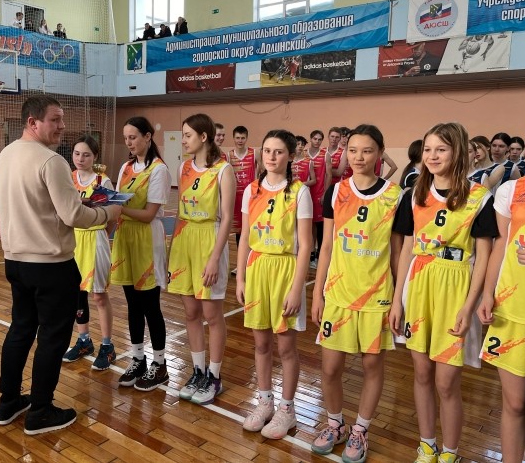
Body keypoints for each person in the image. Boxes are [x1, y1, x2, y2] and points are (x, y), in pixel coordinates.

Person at [0, 95, 120, 435]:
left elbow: (43, 204)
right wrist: (108, 212)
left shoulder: (6, 155)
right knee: (52, 337)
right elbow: (73, 216)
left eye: (62, 119)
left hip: (15, 261)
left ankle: (8, 402)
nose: (62, 126)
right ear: (32, 122)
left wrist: (78, 205)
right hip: (50, 264)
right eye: (55, 119)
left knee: (20, 329)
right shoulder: (51, 161)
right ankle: (40, 410)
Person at [389, 122, 497, 463]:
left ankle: (450, 452)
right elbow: (407, 248)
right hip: (419, 284)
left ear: (458, 152)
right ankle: (427, 445)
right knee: (421, 373)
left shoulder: (479, 197)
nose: (432, 156)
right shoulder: (414, 195)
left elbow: (484, 257)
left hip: (456, 285)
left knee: (447, 382)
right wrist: (397, 300)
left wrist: (469, 306)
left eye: (441, 149)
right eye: (428, 149)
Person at [311, 124, 402, 462]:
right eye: (353, 150)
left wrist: (398, 299)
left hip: (377, 297)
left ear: (380, 153)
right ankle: (335, 424)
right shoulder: (336, 191)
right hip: (338, 294)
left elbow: (397, 252)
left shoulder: (395, 195)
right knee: (330, 368)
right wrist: (317, 293)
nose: (359, 157)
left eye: (366, 151)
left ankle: (361, 429)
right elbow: (327, 246)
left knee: (372, 367)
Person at [478, 112, 525, 463]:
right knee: (514, 402)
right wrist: (487, 293)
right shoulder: (511, 190)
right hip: (512, 310)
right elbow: (500, 247)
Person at [235, 129, 312, 439]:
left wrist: (297, 288)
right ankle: (265, 401)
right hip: (257, 268)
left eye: (278, 151)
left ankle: (288, 409)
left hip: (285, 269)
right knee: (261, 343)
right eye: (267, 150)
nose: (271, 156)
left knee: (286, 346)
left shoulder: (299, 192)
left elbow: (306, 245)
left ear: (290, 156)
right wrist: (240, 277)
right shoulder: (251, 190)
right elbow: (244, 237)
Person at [169, 114, 235, 405]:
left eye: (187, 135)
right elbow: (180, 211)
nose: (183, 140)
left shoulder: (223, 170)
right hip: (185, 240)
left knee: (212, 314)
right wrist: (172, 249)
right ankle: (197, 371)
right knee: (190, 312)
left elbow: (228, 218)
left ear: (203, 137)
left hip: (210, 239)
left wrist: (215, 258)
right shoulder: (183, 168)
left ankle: (215, 376)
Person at [111, 116, 171, 391]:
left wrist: (119, 209)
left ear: (148, 136)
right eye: (126, 138)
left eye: (133, 137)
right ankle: (138, 359)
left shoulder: (159, 170)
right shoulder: (125, 167)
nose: (129, 142)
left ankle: (160, 364)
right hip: (125, 238)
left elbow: (148, 215)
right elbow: (116, 201)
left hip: (147, 239)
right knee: (132, 304)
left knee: (150, 306)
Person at [62, 135, 117, 371]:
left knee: (99, 295)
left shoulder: (103, 181)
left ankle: (107, 346)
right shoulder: (68, 178)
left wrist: (103, 234)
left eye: (86, 154)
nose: (80, 158)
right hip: (73, 239)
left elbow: (113, 215)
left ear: (95, 157)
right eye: (77, 153)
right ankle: (84, 340)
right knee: (77, 294)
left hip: (95, 238)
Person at [228, 125, 261, 274]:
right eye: (237, 138)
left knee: (252, 230)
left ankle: (252, 261)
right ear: (233, 138)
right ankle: (241, 264)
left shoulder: (254, 153)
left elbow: (263, 171)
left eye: (242, 138)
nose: (240, 140)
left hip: (251, 197)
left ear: (246, 138)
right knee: (239, 232)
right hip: (236, 198)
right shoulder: (229, 155)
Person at [307, 129, 327, 268]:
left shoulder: (325, 155)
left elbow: (329, 175)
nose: (317, 141)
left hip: (319, 194)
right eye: (315, 138)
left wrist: (325, 193)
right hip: (306, 193)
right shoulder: (303, 154)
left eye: (320, 139)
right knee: (308, 225)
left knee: (320, 226)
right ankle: (310, 254)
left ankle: (320, 256)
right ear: (311, 139)